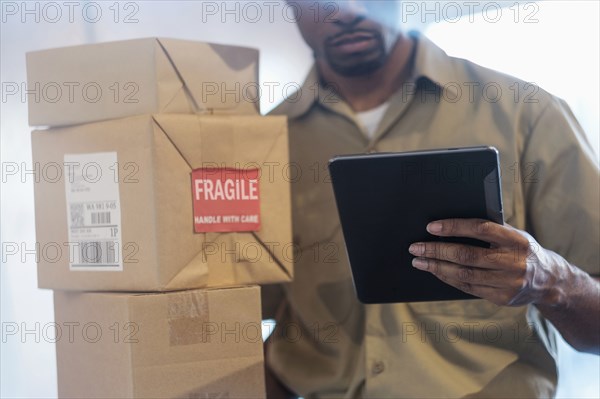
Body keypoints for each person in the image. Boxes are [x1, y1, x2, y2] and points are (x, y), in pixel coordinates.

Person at [263, 1, 600, 398]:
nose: (348, 10)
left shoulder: (527, 114)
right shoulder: (263, 145)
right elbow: (242, 310)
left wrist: (549, 281)